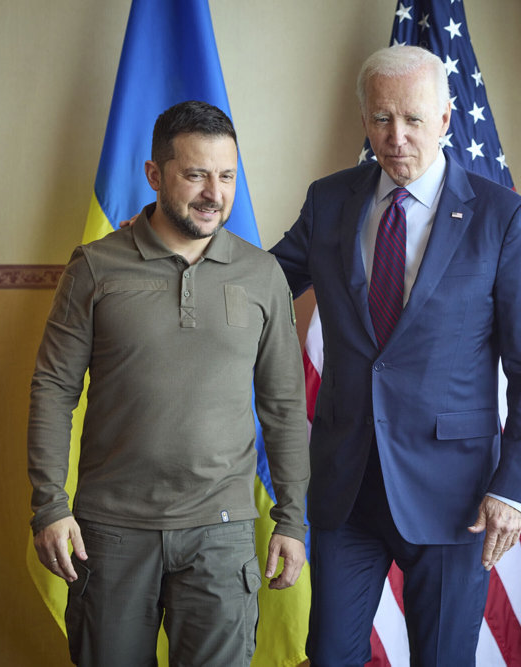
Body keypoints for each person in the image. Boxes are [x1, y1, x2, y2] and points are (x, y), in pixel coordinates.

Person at [270, 46, 521, 666]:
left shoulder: (503, 218)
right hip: (347, 486)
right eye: (379, 119)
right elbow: (265, 284)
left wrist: (514, 488)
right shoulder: (329, 200)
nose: (394, 138)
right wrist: (175, 244)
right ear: (365, 120)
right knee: (328, 657)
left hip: (456, 494)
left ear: (447, 119)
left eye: (413, 120)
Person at [27, 100, 310, 667]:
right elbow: (53, 388)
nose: (214, 193)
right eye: (196, 174)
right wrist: (50, 505)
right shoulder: (94, 268)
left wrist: (293, 518)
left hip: (223, 534)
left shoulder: (263, 275)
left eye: (227, 176)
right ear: (155, 175)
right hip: (109, 531)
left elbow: (283, 405)